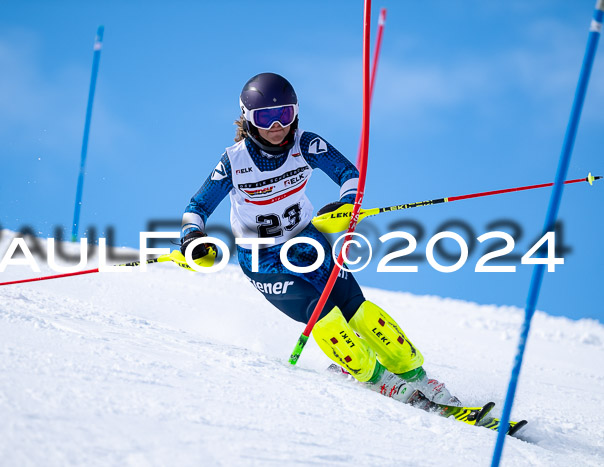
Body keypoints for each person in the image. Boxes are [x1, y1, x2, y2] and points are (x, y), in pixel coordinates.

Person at [180, 72, 459, 406]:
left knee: (360, 311)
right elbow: (197, 207)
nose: (276, 126)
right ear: (248, 119)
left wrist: (346, 205)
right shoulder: (234, 162)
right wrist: (193, 238)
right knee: (323, 315)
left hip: (308, 244)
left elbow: (349, 175)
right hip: (263, 259)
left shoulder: (305, 144)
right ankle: (378, 380)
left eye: (284, 114)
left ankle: (419, 378)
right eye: (265, 117)